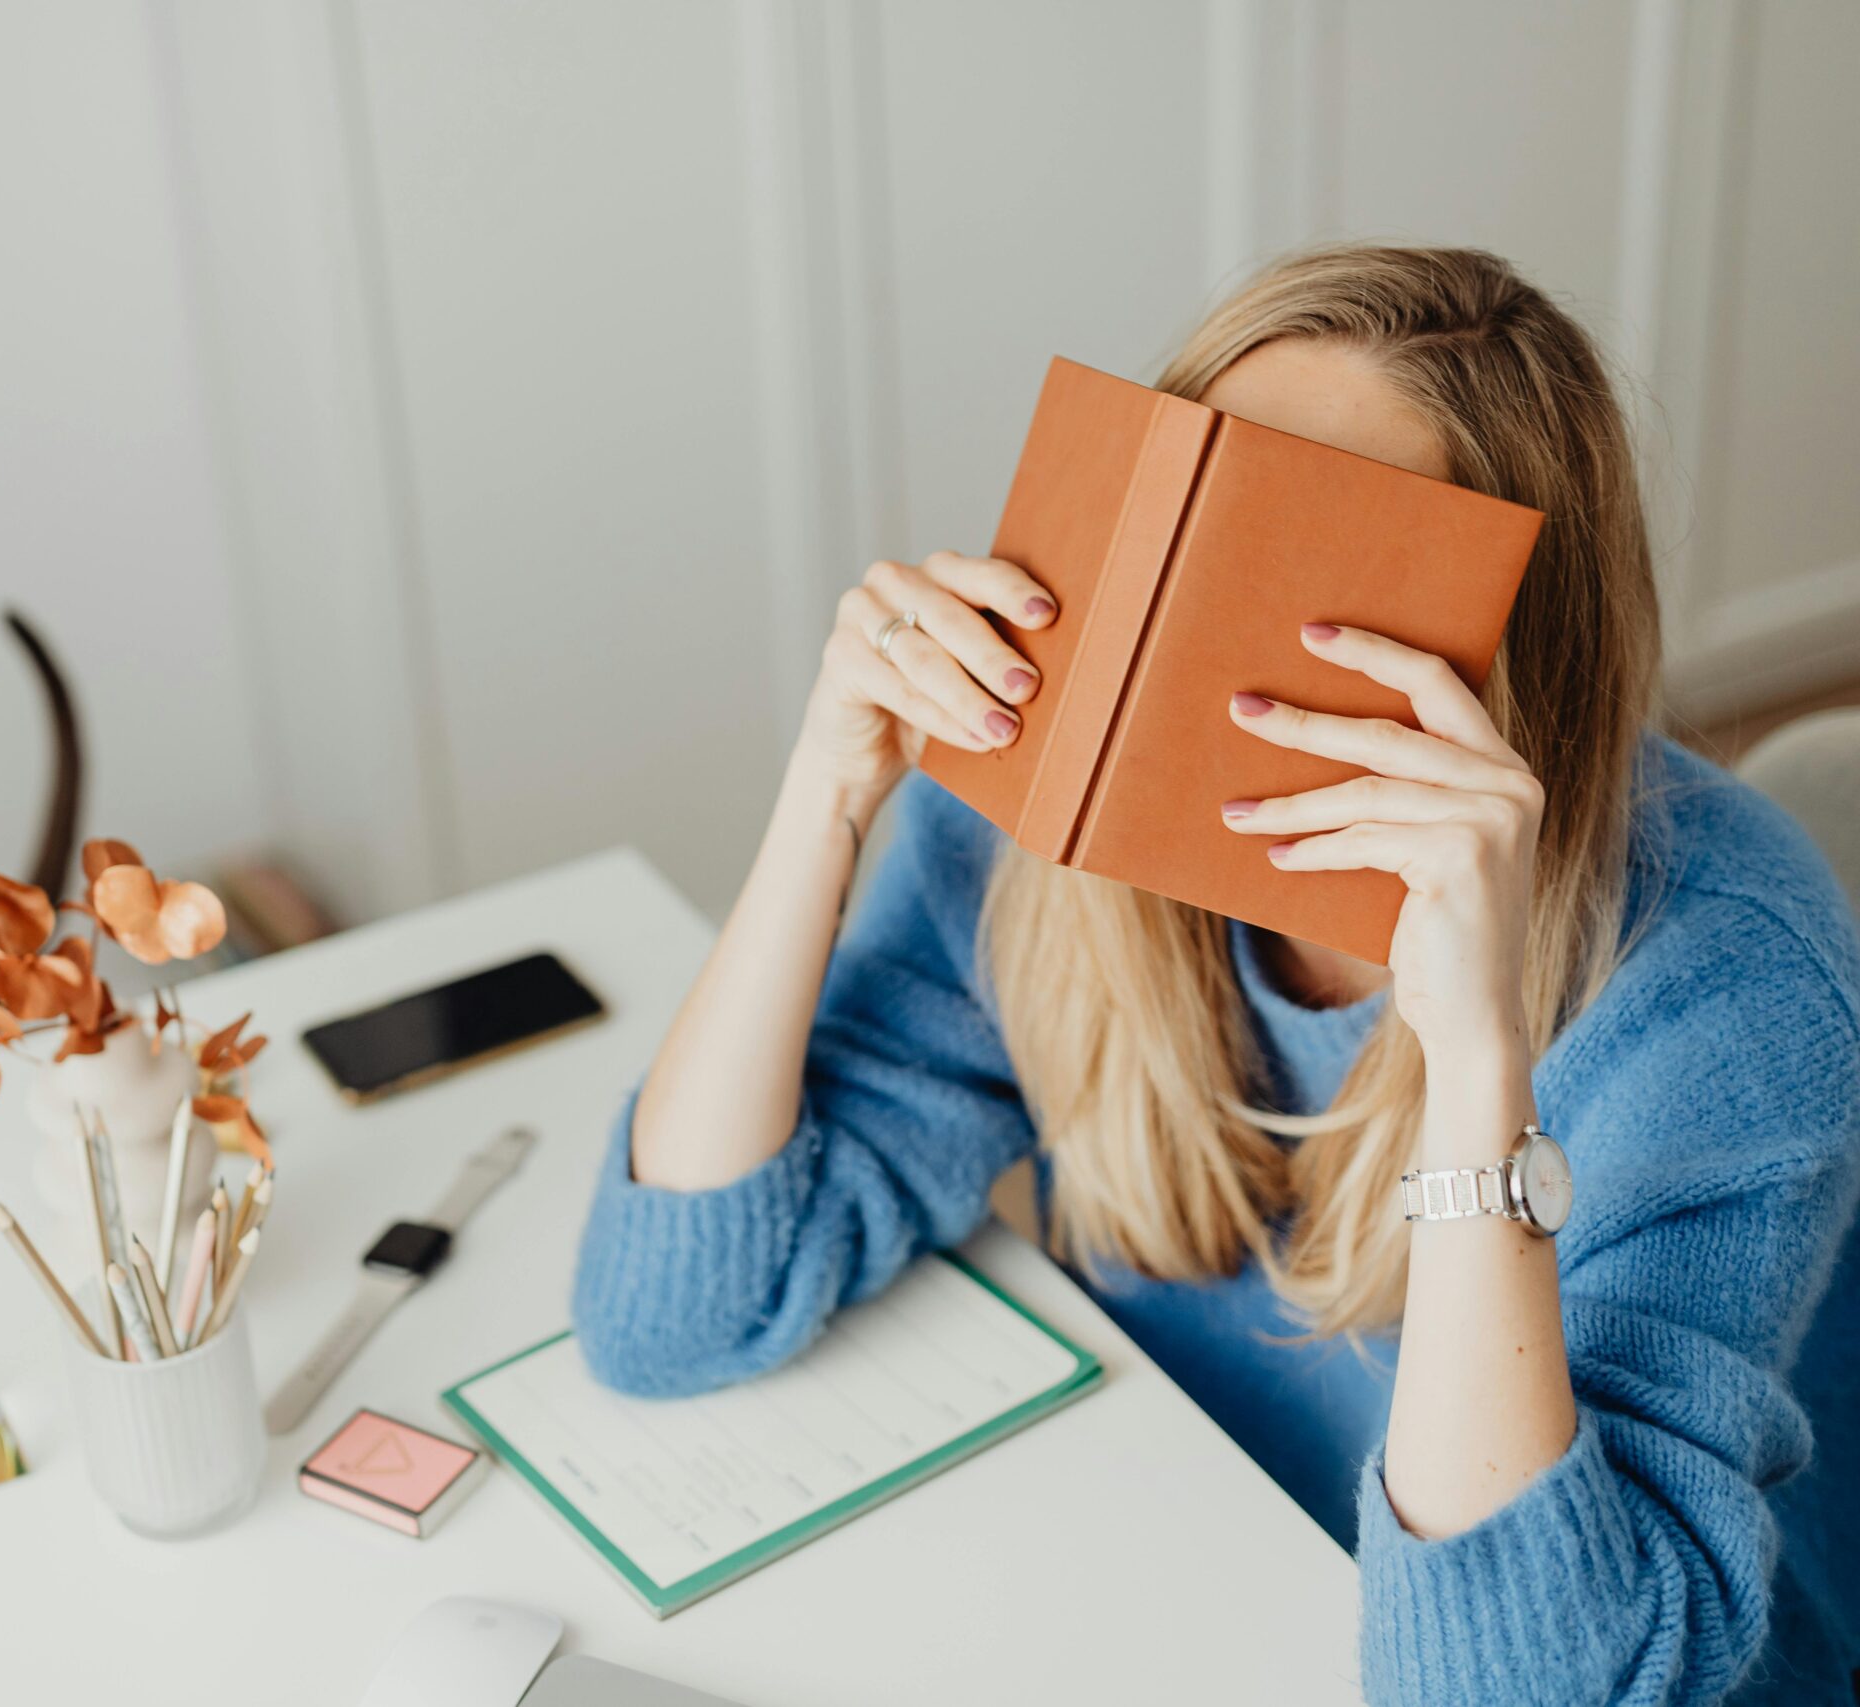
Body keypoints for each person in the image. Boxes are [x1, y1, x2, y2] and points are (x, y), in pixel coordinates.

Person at [570, 245, 1860, 1704]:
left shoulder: (1736, 989)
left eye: (1292, 565)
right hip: (1181, 1552)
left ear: (1509, 661)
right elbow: (670, 1314)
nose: (1187, 637)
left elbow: (1523, 1686)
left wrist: (1476, 1060)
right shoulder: (1045, 823)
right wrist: (829, 792)